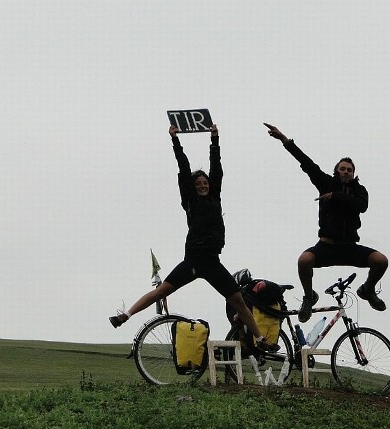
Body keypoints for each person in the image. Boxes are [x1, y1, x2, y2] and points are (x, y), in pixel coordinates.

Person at [108, 124, 279, 352]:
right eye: (198, 183)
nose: (202, 185)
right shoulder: (189, 201)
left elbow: (217, 169)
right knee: (161, 292)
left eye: (205, 182)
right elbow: (183, 167)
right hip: (193, 260)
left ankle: (260, 339)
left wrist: (215, 139)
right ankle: (125, 316)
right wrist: (175, 141)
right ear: (192, 187)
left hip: (212, 262)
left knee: (237, 300)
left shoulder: (215, 196)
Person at [264, 123, 389, 322]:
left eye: (349, 169)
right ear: (336, 171)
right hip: (327, 247)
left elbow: (361, 206)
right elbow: (306, 163)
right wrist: (284, 140)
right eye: (342, 169)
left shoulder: (360, 190)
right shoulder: (325, 183)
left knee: (381, 261)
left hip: (350, 248)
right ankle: (309, 296)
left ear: (353, 173)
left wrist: (336, 196)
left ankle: (368, 290)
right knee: (304, 260)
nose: (346, 172)